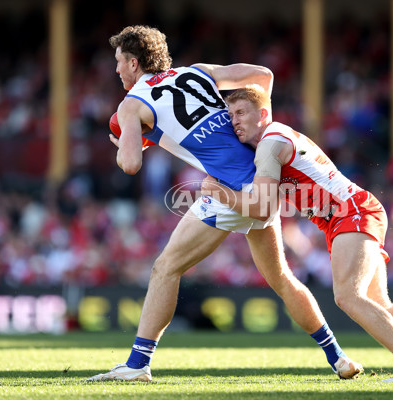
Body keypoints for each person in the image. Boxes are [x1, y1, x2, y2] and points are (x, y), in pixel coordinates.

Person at [86, 25, 362, 382]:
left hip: (229, 189)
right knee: (280, 278)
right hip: (264, 177)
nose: (117, 70)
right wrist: (261, 137)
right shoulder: (196, 72)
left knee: (165, 268)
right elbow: (263, 76)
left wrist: (128, 144)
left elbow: (130, 166)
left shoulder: (131, 104)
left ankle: (138, 365)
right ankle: (337, 357)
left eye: (119, 62)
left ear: (135, 63)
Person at [200, 85, 393, 383]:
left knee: (347, 296)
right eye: (231, 116)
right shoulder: (273, 139)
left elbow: (261, 207)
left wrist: (217, 192)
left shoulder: (270, 142)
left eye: (241, 112)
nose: (235, 121)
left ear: (263, 113)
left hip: (350, 213)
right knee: (383, 311)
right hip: (349, 214)